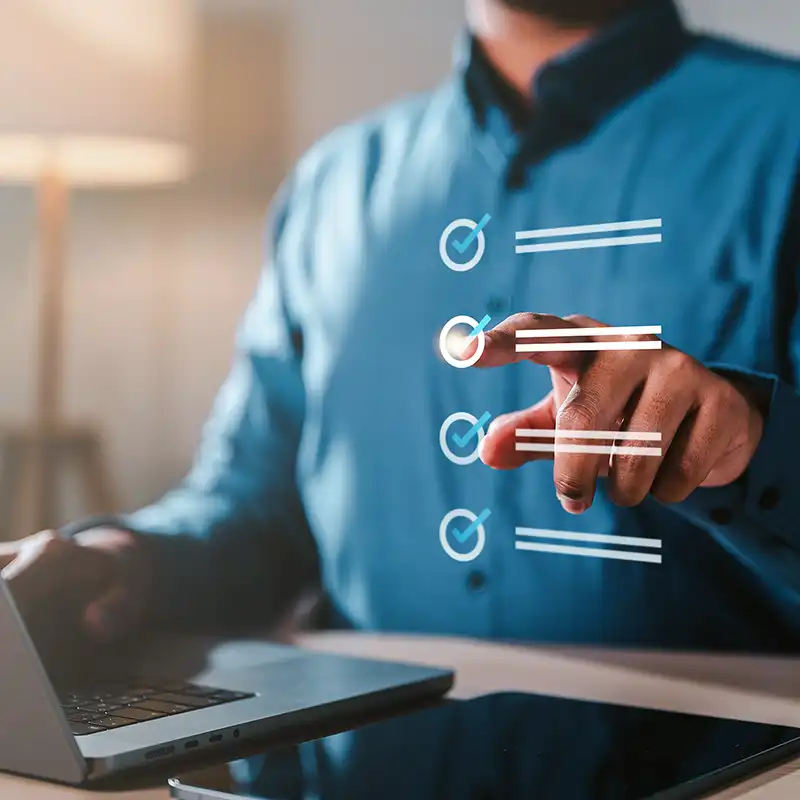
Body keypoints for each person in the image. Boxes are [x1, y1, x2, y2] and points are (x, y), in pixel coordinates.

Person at [2, 0, 800, 653]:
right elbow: (256, 510)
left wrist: (749, 440)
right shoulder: (333, 185)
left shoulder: (785, 136)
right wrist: (119, 564)